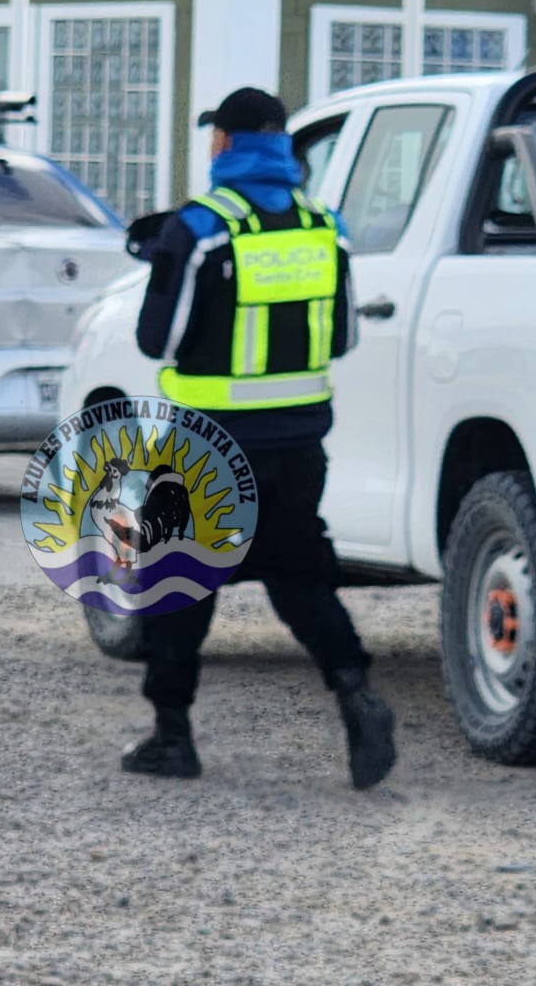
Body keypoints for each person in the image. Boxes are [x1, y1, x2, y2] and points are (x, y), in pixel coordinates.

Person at [125, 86, 396, 790]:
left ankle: (173, 738)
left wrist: (165, 258)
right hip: (300, 444)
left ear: (224, 143)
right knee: (301, 579)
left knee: (178, 586)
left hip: (207, 444)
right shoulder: (323, 225)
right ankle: (357, 695)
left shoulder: (204, 227)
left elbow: (159, 340)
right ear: (280, 144)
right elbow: (341, 337)